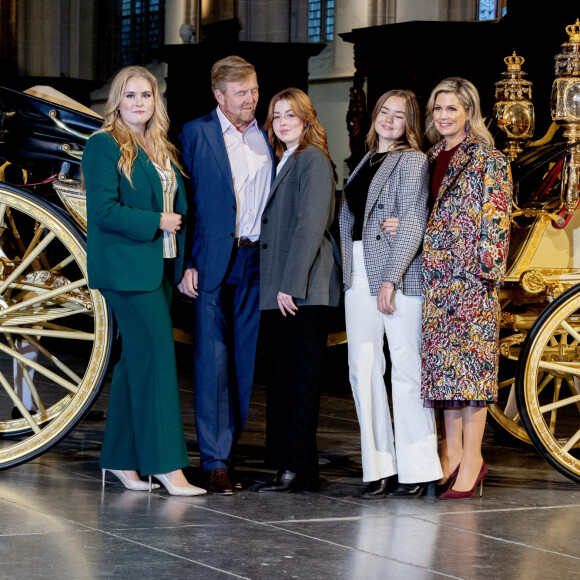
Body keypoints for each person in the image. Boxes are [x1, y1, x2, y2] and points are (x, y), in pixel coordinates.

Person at [82, 66, 206, 496]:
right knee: (157, 360)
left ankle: (119, 461)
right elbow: (102, 211)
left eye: (146, 95)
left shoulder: (158, 146)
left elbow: (181, 209)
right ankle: (168, 468)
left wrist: (184, 261)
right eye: (130, 95)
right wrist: (157, 220)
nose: (138, 103)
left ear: (156, 102)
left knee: (135, 362)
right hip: (125, 270)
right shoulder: (103, 145)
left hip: (159, 268)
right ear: (116, 100)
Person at [339, 90, 442, 499]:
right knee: (361, 366)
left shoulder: (412, 160)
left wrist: (389, 279)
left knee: (405, 368)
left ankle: (418, 470)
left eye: (399, 116)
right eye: (384, 111)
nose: (388, 120)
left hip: (396, 272)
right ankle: (379, 466)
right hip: (358, 270)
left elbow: (414, 220)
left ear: (410, 124)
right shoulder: (364, 160)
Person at [178, 56, 274, 494]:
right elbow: (185, 201)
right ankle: (215, 462)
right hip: (212, 262)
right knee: (212, 363)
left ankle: (230, 450)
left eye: (254, 90)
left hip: (257, 262)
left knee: (245, 364)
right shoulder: (197, 133)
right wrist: (185, 264)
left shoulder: (267, 135)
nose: (251, 99)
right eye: (241, 93)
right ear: (220, 96)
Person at [421, 77, 512, 499]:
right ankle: (451, 453)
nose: (443, 116)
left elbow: (495, 220)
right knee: (445, 374)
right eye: (438, 108)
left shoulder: (488, 158)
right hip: (437, 279)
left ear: (469, 113)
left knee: (472, 374)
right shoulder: (431, 155)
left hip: (472, 279)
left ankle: (472, 459)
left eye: (452, 109)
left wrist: (485, 276)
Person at [255, 88, 341, 493]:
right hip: (281, 290)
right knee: (283, 380)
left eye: (292, 115)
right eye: (277, 115)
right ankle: (290, 467)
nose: (284, 122)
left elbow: (310, 226)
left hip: (302, 291)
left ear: (308, 120)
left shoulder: (313, 160)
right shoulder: (284, 160)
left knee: (299, 382)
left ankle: (297, 470)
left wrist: (290, 284)